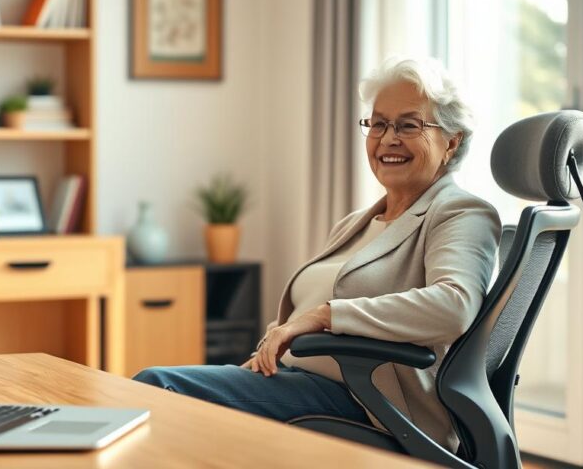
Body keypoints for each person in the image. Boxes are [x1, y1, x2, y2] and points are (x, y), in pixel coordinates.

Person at [133, 57, 501, 453]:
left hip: (368, 403)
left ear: (452, 140)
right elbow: (294, 318)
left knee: (157, 387)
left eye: (408, 125)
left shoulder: (460, 212)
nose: (387, 138)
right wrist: (254, 364)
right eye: (378, 124)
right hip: (296, 381)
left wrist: (325, 315)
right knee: (163, 401)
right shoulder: (356, 223)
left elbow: (454, 305)